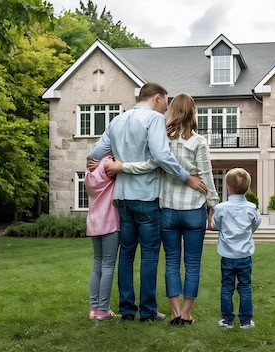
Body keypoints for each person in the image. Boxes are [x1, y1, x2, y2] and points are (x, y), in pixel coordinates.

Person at [86, 82, 207, 322]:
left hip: (121, 198)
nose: (166, 109)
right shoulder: (153, 119)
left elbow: (94, 155)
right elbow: (162, 156)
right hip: (146, 197)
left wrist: (113, 163)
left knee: (127, 254)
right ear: (158, 98)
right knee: (150, 255)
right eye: (166, 102)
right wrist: (187, 178)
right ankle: (148, 311)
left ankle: (128, 310)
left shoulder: (117, 121)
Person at [111, 93, 219, 326]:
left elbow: (153, 165)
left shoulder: (164, 140)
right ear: (193, 112)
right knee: (192, 262)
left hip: (168, 210)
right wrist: (213, 206)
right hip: (193, 210)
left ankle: (175, 312)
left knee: (171, 261)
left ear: (173, 112)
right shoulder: (199, 142)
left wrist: (123, 166)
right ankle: (187, 314)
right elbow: (207, 176)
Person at [211, 168, 261, 329]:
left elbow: (214, 225)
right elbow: (256, 224)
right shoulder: (251, 208)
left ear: (228, 187)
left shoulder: (221, 208)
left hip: (227, 256)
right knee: (245, 287)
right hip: (245, 256)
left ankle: (227, 321)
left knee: (227, 287)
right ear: (247, 188)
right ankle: (246, 321)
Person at [84, 155, 119, 320]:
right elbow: (124, 166)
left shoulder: (88, 173)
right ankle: (103, 310)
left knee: (97, 264)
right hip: (110, 223)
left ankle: (94, 309)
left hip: (94, 223)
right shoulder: (108, 166)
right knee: (108, 266)